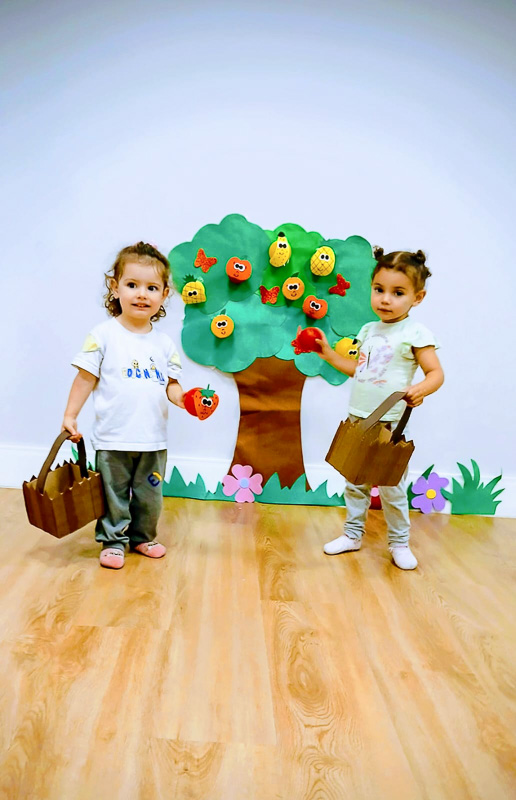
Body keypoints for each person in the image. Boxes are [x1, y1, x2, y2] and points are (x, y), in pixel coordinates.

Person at [315, 248, 444, 570]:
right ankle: (352, 534)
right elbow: (359, 370)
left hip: (391, 424)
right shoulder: (369, 330)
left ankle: (399, 542)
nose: (385, 299)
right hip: (358, 418)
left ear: (417, 298)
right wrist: (329, 354)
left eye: (398, 293)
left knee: (391, 487)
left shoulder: (415, 333)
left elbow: (435, 373)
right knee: (354, 482)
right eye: (379, 289)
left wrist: (420, 389)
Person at [62, 242, 185, 569]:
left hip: (153, 441)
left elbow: (172, 385)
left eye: (152, 288)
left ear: (164, 295)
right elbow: (85, 378)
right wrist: (70, 415)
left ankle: (143, 537)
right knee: (112, 494)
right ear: (115, 288)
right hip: (112, 438)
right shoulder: (103, 335)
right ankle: (113, 540)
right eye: (132, 285)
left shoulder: (164, 344)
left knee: (150, 495)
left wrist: (186, 400)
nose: (142, 294)